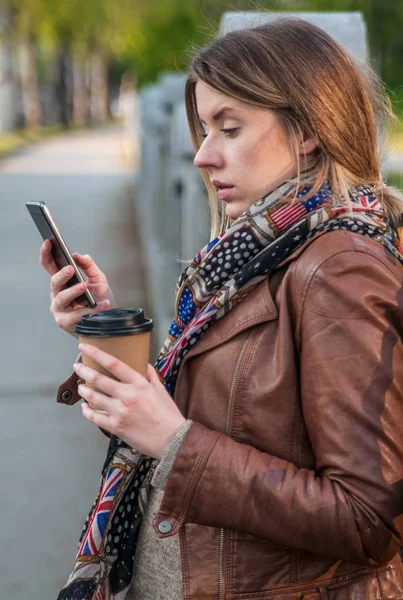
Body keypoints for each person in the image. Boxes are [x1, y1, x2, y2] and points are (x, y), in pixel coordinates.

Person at [40, 16, 403, 600]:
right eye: (204, 129)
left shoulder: (338, 270)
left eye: (228, 129)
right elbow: (227, 403)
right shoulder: (249, 254)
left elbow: (368, 518)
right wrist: (102, 327)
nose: (203, 157)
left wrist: (175, 442)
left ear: (308, 129)